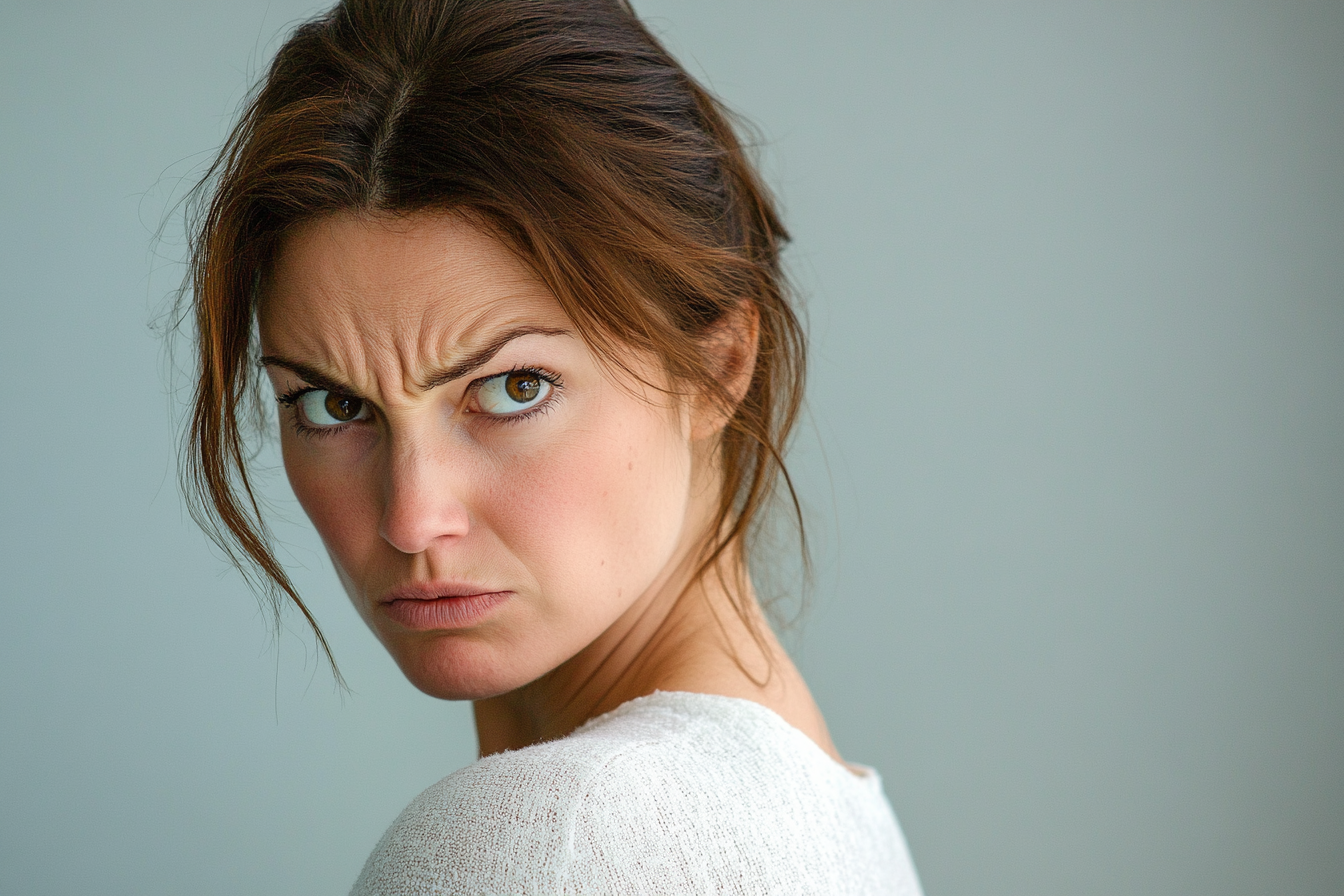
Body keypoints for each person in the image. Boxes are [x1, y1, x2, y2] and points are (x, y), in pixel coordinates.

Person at [183, 0, 923, 892]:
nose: (412, 518)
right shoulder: (827, 815)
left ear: (717, 365)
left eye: (513, 388)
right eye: (335, 404)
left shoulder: (550, 847)